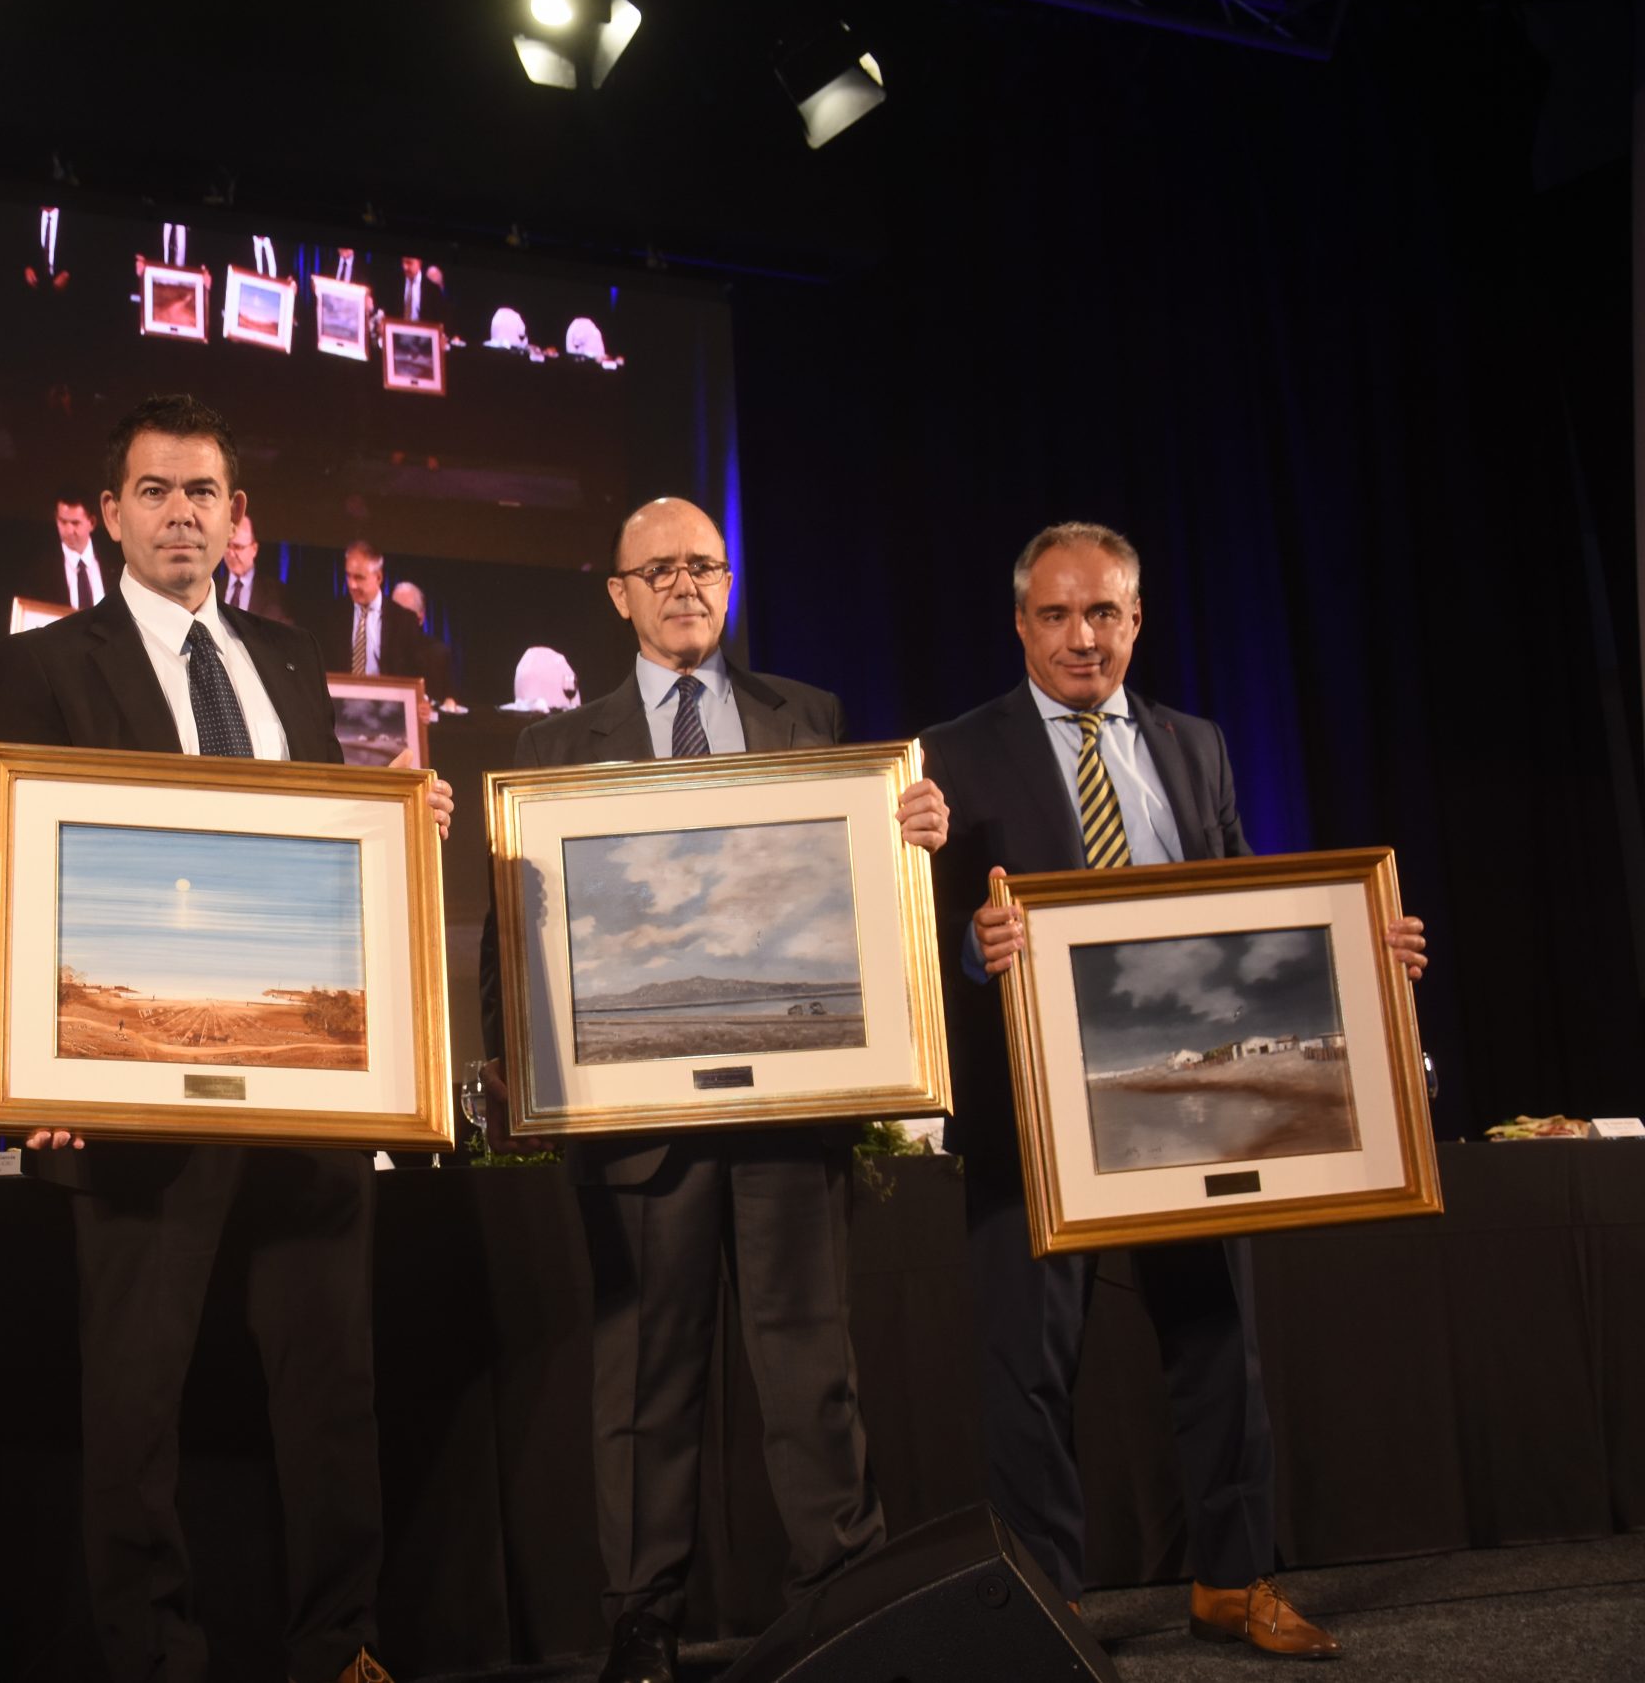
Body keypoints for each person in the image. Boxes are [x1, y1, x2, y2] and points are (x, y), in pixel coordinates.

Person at [0, 395, 451, 1683]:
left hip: (304, 1091)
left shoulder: (287, 659)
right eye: (154, 490)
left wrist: (397, 822)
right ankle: (152, 1659)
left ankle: (339, 1649)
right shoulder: (45, 663)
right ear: (110, 514)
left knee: (331, 1394)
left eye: (202, 492)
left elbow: (321, 853)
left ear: (237, 517)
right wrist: (34, 1063)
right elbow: (16, 869)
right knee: (135, 1406)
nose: (179, 513)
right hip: (125, 1091)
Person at [920, 520, 1429, 1659]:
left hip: (1175, 1120)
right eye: (1057, 614)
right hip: (1033, 1111)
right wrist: (972, 949)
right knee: (1029, 1368)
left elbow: (1255, 906)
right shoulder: (949, 752)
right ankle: (1050, 1609)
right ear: (1019, 624)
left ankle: (1232, 1584)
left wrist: (1354, 950)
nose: (1081, 637)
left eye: (1103, 612)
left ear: (1136, 618)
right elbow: (919, 932)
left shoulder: (1196, 744)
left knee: (1218, 1346)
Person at [476, 498, 941, 1683]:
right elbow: (509, 927)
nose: (685, 586)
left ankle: (838, 1599)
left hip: (791, 1110)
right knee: (643, 1379)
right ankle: (643, 1622)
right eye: (659, 570)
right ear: (617, 594)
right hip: (632, 1124)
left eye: (704, 566)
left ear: (727, 581)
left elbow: (853, 888)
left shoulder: (809, 717)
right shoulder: (557, 748)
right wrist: (511, 1062)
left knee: (811, 1367)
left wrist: (910, 840)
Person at [331, 541, 445, 692]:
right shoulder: (333, 615)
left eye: (359, 577)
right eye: (348, 575)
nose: (352, 585)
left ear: (378, 577)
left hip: (387, 704)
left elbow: (416, 675)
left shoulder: (404, 620)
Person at [25, 488, 119, 612]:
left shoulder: (116, 561)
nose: (69, 531)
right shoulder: (40, 572)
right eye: (63, 522)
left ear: (92, 522)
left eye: (75, 523)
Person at [216, 512, 293, 622]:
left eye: (238, 547)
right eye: (228, 545)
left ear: (254, 549)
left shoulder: (276, 594)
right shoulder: (212, 589)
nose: (231, 554)